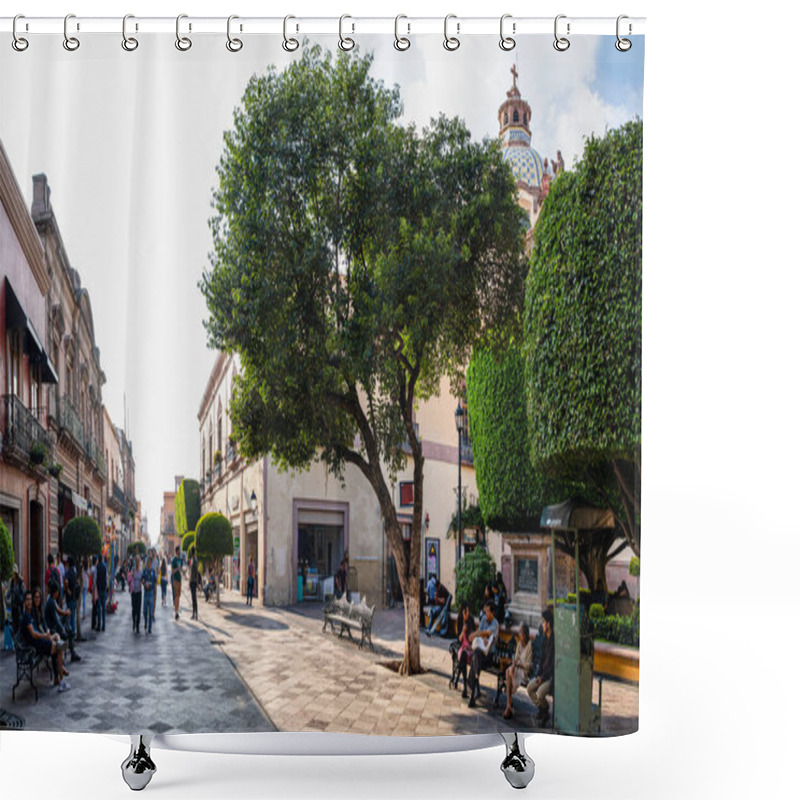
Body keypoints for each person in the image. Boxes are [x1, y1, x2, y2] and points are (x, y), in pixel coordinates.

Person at [20, 590, 69, 691]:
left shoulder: (29, 615)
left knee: (56, 640)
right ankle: (61, 678)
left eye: (30, 599)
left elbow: (39, 628)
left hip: (39, 642)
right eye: (27, 600)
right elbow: (34, 634)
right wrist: (45, 636)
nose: (29, 602)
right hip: (35, 646)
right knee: (58, 648)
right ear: (24, 602)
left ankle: (58, 676)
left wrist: (46, 635)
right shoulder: (26, 616)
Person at [467, 601, 499, 708]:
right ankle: (475, 684)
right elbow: (482, 634)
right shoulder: (484, 620)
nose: (486, 613)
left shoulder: (495, 624)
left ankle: (472, 685)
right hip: (480, 653)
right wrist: (482, 637)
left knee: (475, 656)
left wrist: (478, 634)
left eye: (488, 611)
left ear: (493, 613)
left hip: (489, 656)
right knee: (476, 655)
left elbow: (487, 633)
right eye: (485, 611)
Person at [527, 607, 555, 725]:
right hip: (542, 675)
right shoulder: (544, 640)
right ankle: (543, 710)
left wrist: (542, 678)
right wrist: (538, 675)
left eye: (544, 622)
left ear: (549, 624)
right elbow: (542, 660)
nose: (542, 624)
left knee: (539, 693)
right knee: (529, 688)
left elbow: (552, 665)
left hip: (550, 678)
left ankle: (545, 710)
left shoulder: (554, 641)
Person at [45, 580, 80, 663]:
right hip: (52, 628)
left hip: (54, 625)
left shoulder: (52, 600)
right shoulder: (51, 602)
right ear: (56, 592)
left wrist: (66, 612)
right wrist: (63, 630)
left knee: (66, 617)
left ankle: (68, 628)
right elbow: (56, 620)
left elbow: (59, 611)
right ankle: (72, 653)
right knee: (69, 633)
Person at [502, 622, 532, 719]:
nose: (520, 635)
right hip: (517, 669)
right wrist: (514, 664)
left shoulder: (529, 646)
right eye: (519, 632)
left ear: (525, 634)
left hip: (524, 672)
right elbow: (516, 658)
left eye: (521, 633)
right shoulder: (519, 644)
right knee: (508, 671)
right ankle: (509, 705)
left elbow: (528, 666)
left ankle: (509, 706)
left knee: (509, 674)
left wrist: (518, 665)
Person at [455, 602, 476, 697]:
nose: (467, 614)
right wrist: (463, 631)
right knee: (462, 654)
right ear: (462, 612)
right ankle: (465, 686)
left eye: (468, 612)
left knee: (463, 657)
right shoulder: (460, 620)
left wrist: (471, 641)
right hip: (462, 647)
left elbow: (474, 637)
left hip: (470, 648)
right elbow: (459, 639)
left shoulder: (471, 620)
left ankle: (465, 687)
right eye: (465, 612)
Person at [5, 564, 26, 635]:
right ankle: (16, 640)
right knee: (14, 624)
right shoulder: (11, 582)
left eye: (14, 573)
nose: (13, 575)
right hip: (13, 607)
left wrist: (22, 600)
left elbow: (24, 594)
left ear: (16, 573)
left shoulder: (21, 582)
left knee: (19, 624)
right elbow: (9, 593)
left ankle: (19, 639)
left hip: (19, 607)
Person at [141, 555, 157, 634]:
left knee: (150, 612)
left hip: (151, 593)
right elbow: (142, 579)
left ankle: (150, 627)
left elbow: (155, 582)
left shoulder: (153, 572)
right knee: (144, 611)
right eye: (148, 562)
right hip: (146, 593)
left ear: (151, 563)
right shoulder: (145, 570)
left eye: (150, 562)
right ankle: (146, 622)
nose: (149, 563)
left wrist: (155, 593)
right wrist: (144, 582)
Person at [64, 556, 79, 637]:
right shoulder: (74, 572)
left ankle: (71, 632)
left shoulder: (68, 573)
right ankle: (73, 631)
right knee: (73, 616)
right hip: (74, 597)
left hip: (70, 598)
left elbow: (66, 583)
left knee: (69, 616)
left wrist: (67, 589)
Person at [128, 555, 143, 633]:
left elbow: (142, 580)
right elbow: (129, 579)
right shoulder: (133, 570)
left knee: (138, 609)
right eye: (137, 561)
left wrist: (143, 581)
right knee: (134, 609)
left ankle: (137, 625)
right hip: (134, 592)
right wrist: (131, 576)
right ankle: (134, 622)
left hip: (138, 592)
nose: (137, 562)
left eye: (138, 561)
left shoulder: (140, 570)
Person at [95, 554, 109, 632]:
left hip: (99, 588)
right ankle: (104, 625)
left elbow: (95, 578)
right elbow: (106, 578)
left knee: (99, 608)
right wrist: (106, 587)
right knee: (103, 608)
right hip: (103, 588)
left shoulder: (97, 567)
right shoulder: (105, 567)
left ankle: (99, 625)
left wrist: (94, 586)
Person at [171, 544, 182, 620]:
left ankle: (177, 611)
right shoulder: (174, 560)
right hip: (175, 580)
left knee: (178, 596)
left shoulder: (180, 559)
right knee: (176, 595)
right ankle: (176, 612)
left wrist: (181, 570)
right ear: (177, 551)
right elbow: (172, 571)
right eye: (179, 550)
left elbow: (181, 569)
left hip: (180, 579)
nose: (180, 551)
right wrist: (177, 569)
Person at [189, 546, 199, 620]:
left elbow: (196, 571)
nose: (189, 552)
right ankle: (193, 613)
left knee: (194, 598)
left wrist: (197, 582)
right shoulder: (192, 560)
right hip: (191, 581)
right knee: (193, 598)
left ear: (192, 552)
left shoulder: (195, 560)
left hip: (194, 581)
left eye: (190, 551)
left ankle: (196, 613)